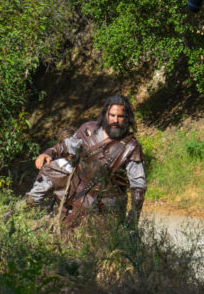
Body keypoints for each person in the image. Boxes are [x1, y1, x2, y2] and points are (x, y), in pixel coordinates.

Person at [25, 95, 146, 227]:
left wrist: (133, 220)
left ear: (127, 117)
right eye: (112, 115)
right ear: (105, 114)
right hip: (76, 198)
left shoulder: (131, 147)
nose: (115, 120)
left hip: (107, 210)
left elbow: (138, 186)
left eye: (120, 116)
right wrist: (48, 153)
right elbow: (67, 145)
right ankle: (16, 212)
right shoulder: (88, 130)